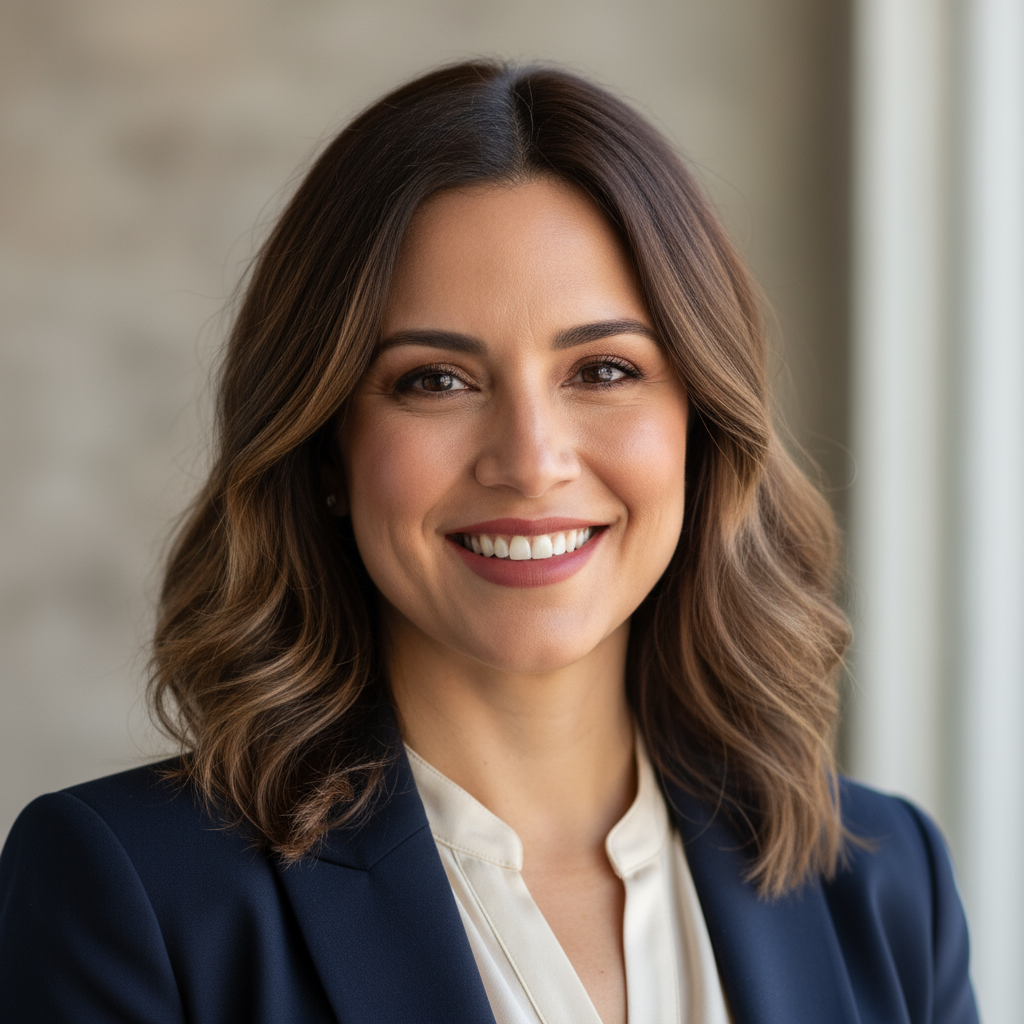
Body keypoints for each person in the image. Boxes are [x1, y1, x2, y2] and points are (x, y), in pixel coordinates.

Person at [0, 60, 978, 1024]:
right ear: (327, 447)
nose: (531, 460)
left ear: (701, 424)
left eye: (601, 369)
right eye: (435, 380)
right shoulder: (134, 894)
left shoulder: (885, 884)